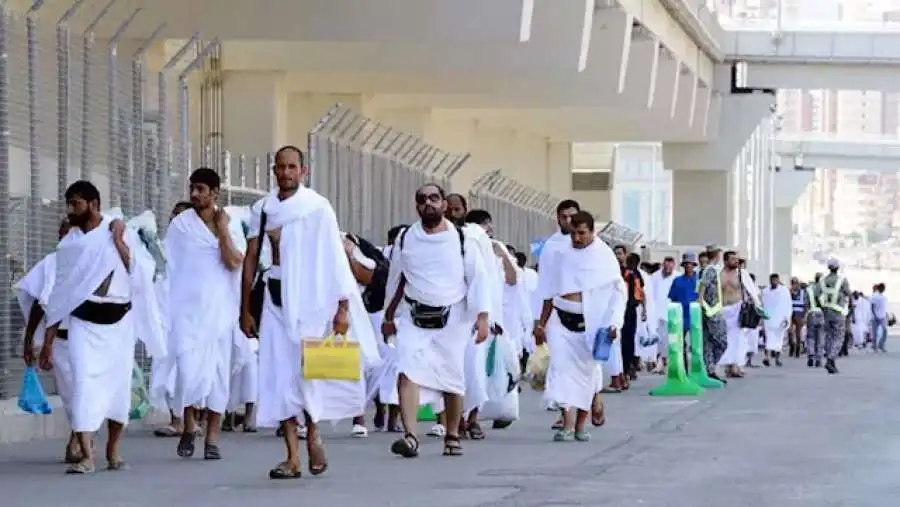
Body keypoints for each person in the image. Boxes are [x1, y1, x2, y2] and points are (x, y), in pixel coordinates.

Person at [240, 146, 381, 479]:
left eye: (292, 167)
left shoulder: (317, 208)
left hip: (311, 304)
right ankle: (291, 457)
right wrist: (244, 309)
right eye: (280, 167)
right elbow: (250, 260)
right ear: (273, 171)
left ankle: (314, 433)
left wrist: (342, 307)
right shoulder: (262, 210)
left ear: (303, 171)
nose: (286, 173)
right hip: (274, 303)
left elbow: (335, 258)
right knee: (278, 378)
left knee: (308, 377)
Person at [40, 180, 166, 474]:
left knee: (117, 390)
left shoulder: (118, 230)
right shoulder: (69, 245)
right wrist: (47, 342)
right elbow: (60, 295)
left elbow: (142, 272)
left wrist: (120, 242)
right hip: (84, 324)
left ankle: (113, 450)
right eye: (69, 203)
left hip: (119, 324)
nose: (71, 209)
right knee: (84, 384)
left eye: (77, 203)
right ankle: (87, 455)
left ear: (94, 204)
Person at [381, 183, 490, 458]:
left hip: (453, 317)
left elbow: (477, 279)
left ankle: (452, 435)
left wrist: (482, 317)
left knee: (452, 378)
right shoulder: (406, 238)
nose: (428, 203)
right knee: (407, 371)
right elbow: (396, 280)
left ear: (443, 204)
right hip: (413, 315)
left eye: (434, 198)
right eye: (422, 199)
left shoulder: (463, 240)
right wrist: (388, 315)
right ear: (416, 205)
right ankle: (410, 436)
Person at [168, 168, 247, 461]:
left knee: (216, 377)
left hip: (220, 313)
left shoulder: (229, 223)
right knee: (188, 372)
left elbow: (234, 262)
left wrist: (223, 229)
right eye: (192, 189)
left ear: (214, 192)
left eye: (201, 189)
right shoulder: (181, 225)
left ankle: (212, 437)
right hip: (188, 312)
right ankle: (189, 427)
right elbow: (171, 266)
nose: (194, 194)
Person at [535, 211, 624, 442]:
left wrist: (615, 323)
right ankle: (566, 424)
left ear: (593, 231)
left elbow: (617, 294)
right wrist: (541, 323)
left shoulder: (604, 256)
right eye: (573, 233)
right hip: (561, 323)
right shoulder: (561, 254)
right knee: (562, 372)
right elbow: (549, 291)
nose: (576, 238)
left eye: (582, 233)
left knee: (587, 376)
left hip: (591, 326)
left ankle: (581, 426)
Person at [18, 218, 75, 462]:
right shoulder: (52, 264)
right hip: (62, 341)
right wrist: (31, 340)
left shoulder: (93, 263)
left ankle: (80, 442)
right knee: (71, 394)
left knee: (87, 392)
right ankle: (81, 438)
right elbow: (39, 305)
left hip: (92, 339)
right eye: (62, 233)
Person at [152, 201, 194, 439]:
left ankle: (186, 420)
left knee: (186, 371)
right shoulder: (162, 247)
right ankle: (177, 418)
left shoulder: (197, 246)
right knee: (167, 369)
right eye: (172, 216)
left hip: (189, 318)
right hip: (165, 317)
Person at [815, 258, 851, 374]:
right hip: (838, 312)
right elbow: (848, 293)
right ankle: (831, 359)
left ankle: (831, 362)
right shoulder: (842, 280)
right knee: (839, 337)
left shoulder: (822, 281)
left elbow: (816, 295)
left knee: (829, 337)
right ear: (838, 268)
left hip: (826, 312)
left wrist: (821, 307)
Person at [698, 245, 728, 383]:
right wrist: (703, 307)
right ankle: (710, 367)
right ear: (716, 255)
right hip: (711, 312)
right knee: (722, 342)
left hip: (713, 310)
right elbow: (702, 290)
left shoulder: (713, 270)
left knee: (709, 343)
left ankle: (710, 370)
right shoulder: (710, 270)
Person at [668, 252, 700, 369]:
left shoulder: (699, 280)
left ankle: (698, 369)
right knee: (680, 344)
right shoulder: (678, 281)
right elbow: (672, 298)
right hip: (681, 316)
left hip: (696, 316)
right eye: (686, 264)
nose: (688, 266)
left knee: (697, 345)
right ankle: (683, 368)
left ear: (694, 265)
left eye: (690, 264)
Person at [650, 256, 676, 374]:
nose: (668, 269)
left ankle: (666, 362)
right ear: (663, 265)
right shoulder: (655, 277)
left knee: (670, 339)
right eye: (666, 267)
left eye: (670, 267)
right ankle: (660, 362)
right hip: (657, 312)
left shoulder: (677, 277)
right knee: (659, 339)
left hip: (672, 312)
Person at [761, 273, 791, 367]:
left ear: (778, 280)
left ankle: (777, 359)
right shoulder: (765, 291)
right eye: (772, 280)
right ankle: (767, 357)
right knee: (768, 339)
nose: (774, 282)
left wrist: (787, 317)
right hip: (768, 319)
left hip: (780, 319)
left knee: (779, 340)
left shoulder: (784, 291)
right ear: (770, 281)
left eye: (775, 280)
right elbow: (762, 304)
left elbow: (788, 304)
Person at [804, 279, 825, 368]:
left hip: (811, 314)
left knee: (810, 337)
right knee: (820, 338)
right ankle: (818, 359)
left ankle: (811, 355)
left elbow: (806, 304)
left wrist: (805, 315)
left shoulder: (809, 290)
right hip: (821, 314)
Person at [787, 277, 806, 358]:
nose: (795, 285)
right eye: (793, 283)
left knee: (797, 332)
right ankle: (792, 347)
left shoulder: (802, 292)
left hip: (798, 313)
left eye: (796, 283)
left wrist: (804, 315)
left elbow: (805, 304)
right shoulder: (789, 292)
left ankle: (797, 349)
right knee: (790, 331)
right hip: (791, 313)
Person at [870, 283, 888, 353]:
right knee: (875, 333)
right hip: (875, 317)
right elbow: (872, 307)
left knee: (885, 331)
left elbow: (884, 307)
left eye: (884, 289)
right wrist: (875, 315)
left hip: (882, 317)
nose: (883, 290)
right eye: (882, 288)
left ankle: (881, 345)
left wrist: (886, 314)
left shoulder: (884, 297)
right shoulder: (874, 296)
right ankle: (874, 347)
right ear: (879, 288)